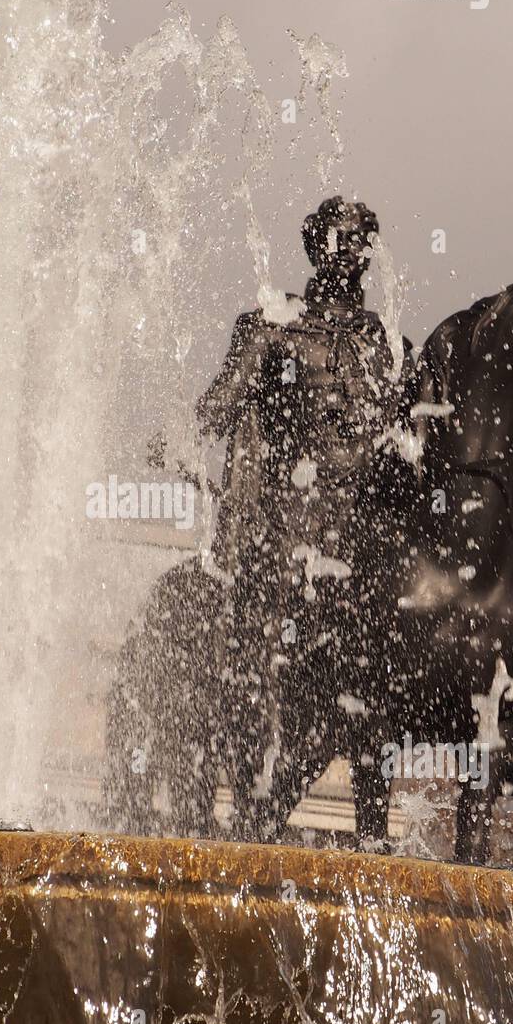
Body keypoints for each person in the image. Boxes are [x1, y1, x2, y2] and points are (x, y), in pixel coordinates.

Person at [196, 197, 404, 837]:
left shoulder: (389, 343)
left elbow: (412, 444)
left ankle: (474, 749)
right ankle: (247, 743)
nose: (350, 251)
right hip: (288, 529)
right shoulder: (270, 324)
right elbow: (213, 414)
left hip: (365, 542)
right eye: (339, 239)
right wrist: (184, 443)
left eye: (361, 240)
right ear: (317, 247)